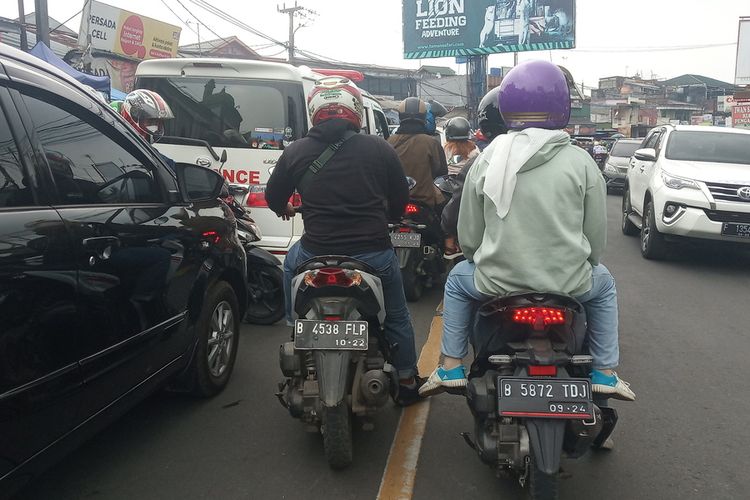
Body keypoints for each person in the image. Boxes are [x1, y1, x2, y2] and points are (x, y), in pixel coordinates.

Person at [419, 60, 636, 402]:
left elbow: (470, 237)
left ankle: (449, 366)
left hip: (497, 283)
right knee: (605, 283)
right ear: (562, 105)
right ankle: (605, 372)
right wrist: (586, 262)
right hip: (570, 283)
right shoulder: (581, 162)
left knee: (458, 280)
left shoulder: (489, 160)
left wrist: (481, 258)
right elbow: (595, 240)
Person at [265, 77, 425, 407]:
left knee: (288, 265)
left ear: (314, 112)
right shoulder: (379, 148)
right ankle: (407, 379)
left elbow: (272, 196)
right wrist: (392, 215)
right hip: (373, 255)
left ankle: (295, 326)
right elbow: (399, 198)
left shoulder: (296, 151)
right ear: (354, 109)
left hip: (315, 253)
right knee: (395, 317)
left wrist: (286, 207)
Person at [441, 86, 508, 259]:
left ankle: (448, 244)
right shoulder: (477, 152)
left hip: (492, 263)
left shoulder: (478, 162)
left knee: (454, 281)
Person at [387, 97, 448, 209]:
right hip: (425, 202)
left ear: (400, 116)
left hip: (394, 202)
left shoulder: (388, 142)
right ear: (424, 117)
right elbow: (442, 172)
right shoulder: (432, 143)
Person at [120, 89, 176, 172]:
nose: (156, 127)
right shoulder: (116, 146)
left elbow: (171, 166)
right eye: (151, 121)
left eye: (158, 123)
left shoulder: (149, 152)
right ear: (132, 119)